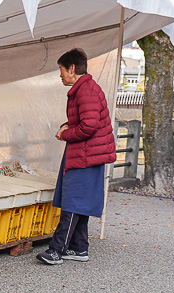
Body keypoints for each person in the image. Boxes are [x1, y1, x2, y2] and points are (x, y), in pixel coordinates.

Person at [37, 48, 115, 266]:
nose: (60, 75)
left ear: (72, 68)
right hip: (88, 154)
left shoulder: (85, 91)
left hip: (86, 155)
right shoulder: (86, 88)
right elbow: (87, 120)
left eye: (61, 70)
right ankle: (79, 248)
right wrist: (68, 125)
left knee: (72, 202)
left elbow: (89, 126)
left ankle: (57, 249)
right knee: (79, 202)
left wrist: (66, 134)